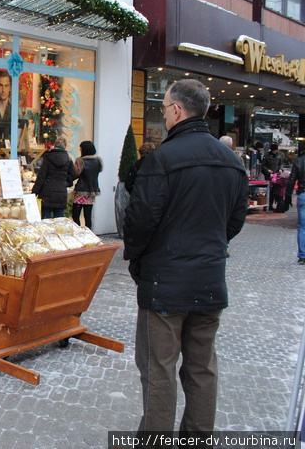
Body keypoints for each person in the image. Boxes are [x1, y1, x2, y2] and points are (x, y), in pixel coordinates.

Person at [123, 79, 248, 443]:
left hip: (165, 284)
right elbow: (236, 221)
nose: (164, 115)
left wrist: (138, 260)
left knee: (158, 370)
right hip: (209, 280)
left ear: (177, 110)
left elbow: (140, 221)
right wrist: (210, 245)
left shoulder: (163, 158)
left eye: (164, 109)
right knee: (201, 368)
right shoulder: (231, 160)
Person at [31, 137, 74, 219]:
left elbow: (41, 176)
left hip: (47, 192)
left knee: (46, 220)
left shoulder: (48, 157)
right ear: (65, 146)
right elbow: (74, 174)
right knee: (59, 221)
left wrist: (34, 192)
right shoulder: (68, 159)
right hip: (61, 193)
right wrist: (66, 182)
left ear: (54, 145)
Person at [71, 140, 102, 227]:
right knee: (88, 216)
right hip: (92, 191)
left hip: (80, 191)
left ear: (84, 149)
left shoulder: (80, 161)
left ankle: (78, 234)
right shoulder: (97, 161)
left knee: (75, 215)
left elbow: (75, 174)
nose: (80, 150)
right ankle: (89, 235)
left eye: (80, 148)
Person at [287, 149, 305, 263]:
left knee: (302, 227)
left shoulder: (299, 161)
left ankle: (302, 255)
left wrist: (288, 196)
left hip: (303, 194)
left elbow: (292, 179)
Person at [0, 70, 12, 148]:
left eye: (6, 86)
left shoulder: (14, 110)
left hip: (9, 153)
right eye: (1, 85)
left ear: (10, 87)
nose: (3, 90)